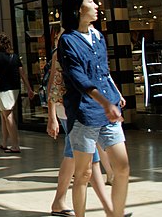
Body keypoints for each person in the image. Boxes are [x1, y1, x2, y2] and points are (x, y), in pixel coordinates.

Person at [57, 0, 130, 217]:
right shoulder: (67, 40)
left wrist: (115, 95)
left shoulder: (98, 36)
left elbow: (103, 71)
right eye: (91, 1)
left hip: (106, 111)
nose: (97, 5)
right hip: (83, 113)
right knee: (84, 174)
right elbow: (78, 78)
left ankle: (115, 214)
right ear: (79, 9)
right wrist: (105, 102)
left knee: (122, 167)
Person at [46, 31, 114, 217]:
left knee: (85, 159)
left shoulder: (84, 47)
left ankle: (60, 201)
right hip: (70, 110)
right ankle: (109, 209)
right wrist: (51, 116)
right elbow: (53, 84)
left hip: (82, 109)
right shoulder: (59, 52)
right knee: (87, 160)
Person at [0, 32, 35, 153]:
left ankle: (15, 145)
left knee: (8, 116)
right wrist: (29, 88)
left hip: (2, 89)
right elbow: (22, 73)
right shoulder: (14, 57)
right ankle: (4, 142)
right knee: (4, 116)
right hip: (14, 89)